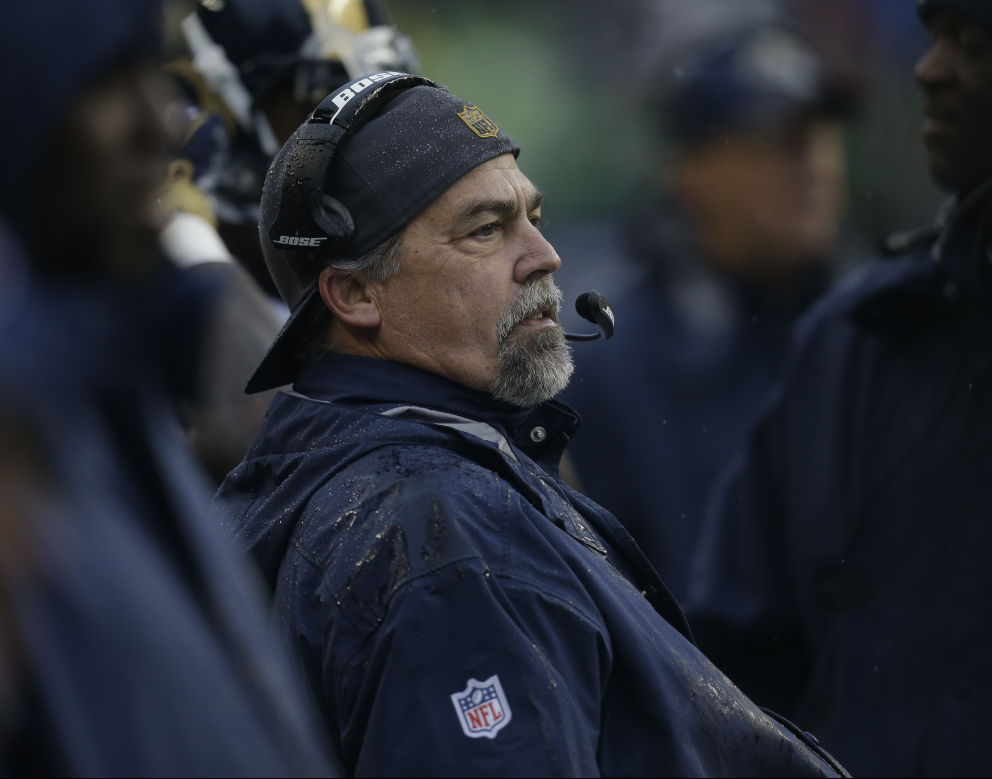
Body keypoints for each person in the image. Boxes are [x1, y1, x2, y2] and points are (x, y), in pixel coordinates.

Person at [212, 70, 849, 777]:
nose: (544, 257)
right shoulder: (448, 537)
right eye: (486, 230)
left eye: (533, 218)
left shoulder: (305, 489)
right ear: (356, 293)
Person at [686, 1, 992, 776]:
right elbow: (725, 677)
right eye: (934, 35)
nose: (928, 69)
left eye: (978, 43)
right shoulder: (855, 345)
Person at [0, 0, 337, 774]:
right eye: (104, 86)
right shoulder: (23, 442)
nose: (163, 125)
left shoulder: (116, 372)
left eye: (155, 82)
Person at [556, 17, 857, 598]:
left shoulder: (879, 329)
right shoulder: (607, 364)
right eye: (772, 140)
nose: (811, 163)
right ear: (688, 171)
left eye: (820, 133)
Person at [159, 0, 422, 482]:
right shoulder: (161, 286)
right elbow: (272, 451)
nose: (354, 126)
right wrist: (182, 235)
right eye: (319, 94)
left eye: (371, 90)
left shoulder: (387, 264)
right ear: (204, 120)